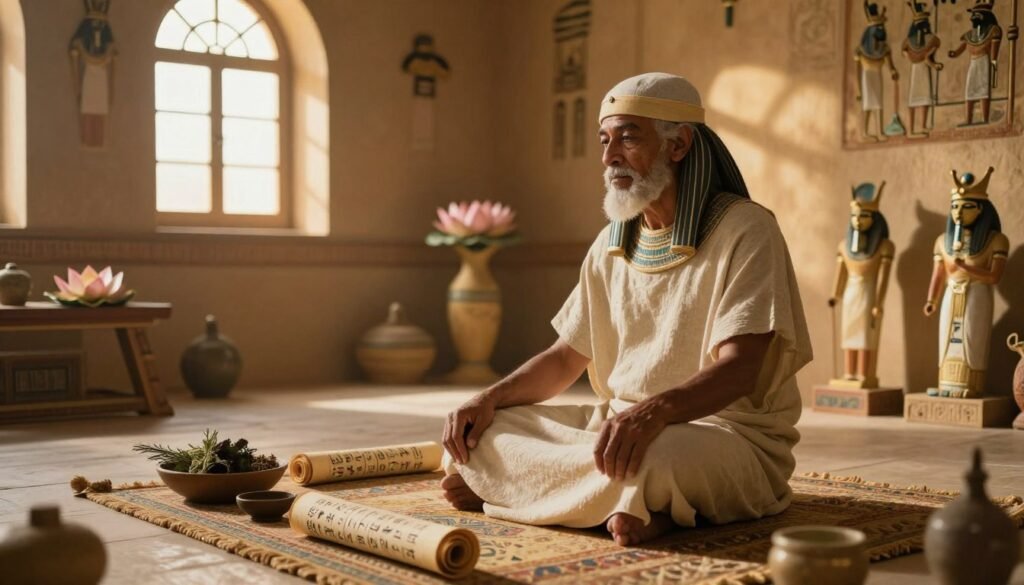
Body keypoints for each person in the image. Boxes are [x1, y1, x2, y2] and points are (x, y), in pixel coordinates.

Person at [441, 72, 812, 546]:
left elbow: (739, 370)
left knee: (657, 455)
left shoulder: (747, 230)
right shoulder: (610, 244)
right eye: (604, 139)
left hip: (721, 436)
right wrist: (488, 399)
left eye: (628, 137)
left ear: (678, 146)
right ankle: (633, 505)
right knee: (489, 431)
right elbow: (563, 359)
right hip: (618, 428)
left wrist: (654, 414)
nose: (609, 156)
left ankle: (529, 492)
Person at [923, 168, 1008, 398]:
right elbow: (938, 275)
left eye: (967, 206)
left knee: (972, 338)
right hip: (951, 294)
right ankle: (946, 384)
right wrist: (931, 300)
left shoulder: (996, 240)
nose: (959, 212)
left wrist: (966, 268)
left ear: (982, 210)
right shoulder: (942, 241)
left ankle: (971, 384)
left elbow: (993, 277)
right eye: (955, 206)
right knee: (947, 338)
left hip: (978, 295)